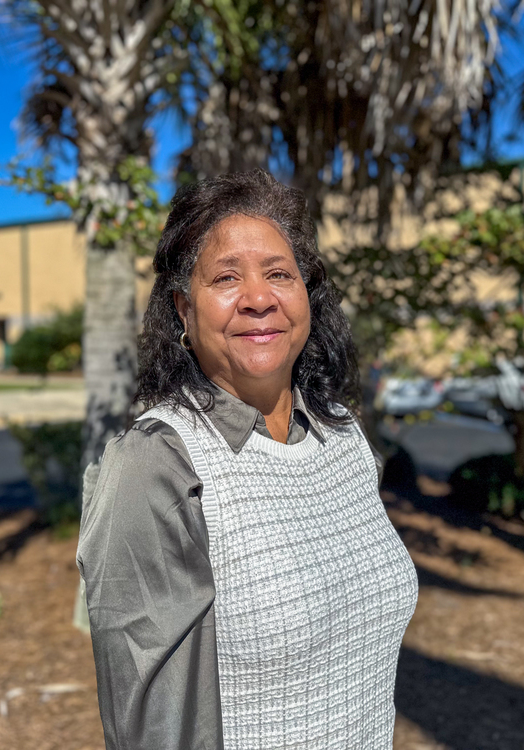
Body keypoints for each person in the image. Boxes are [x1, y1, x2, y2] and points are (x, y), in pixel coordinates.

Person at [76, 169, 418, 750]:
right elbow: (154, 730)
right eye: (227, 277)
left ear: (307, 295)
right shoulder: (155, 466)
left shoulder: (342, 437)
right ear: (184, 311)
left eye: (280, 274)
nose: (259, 299)